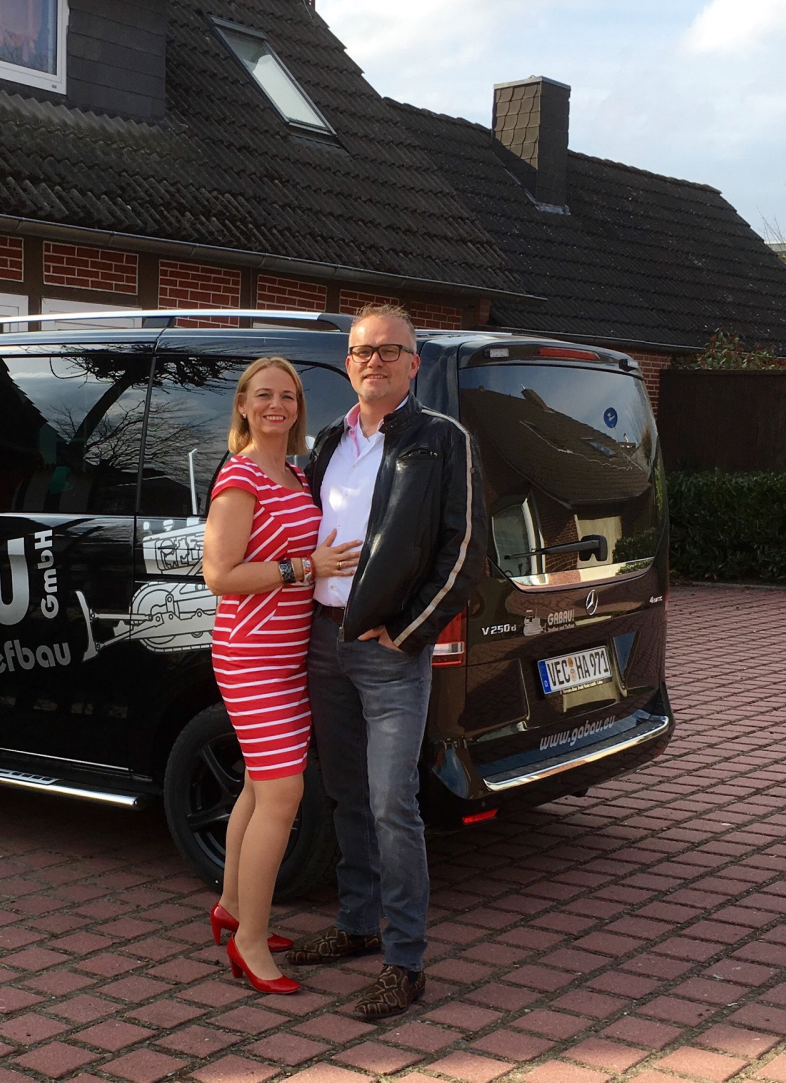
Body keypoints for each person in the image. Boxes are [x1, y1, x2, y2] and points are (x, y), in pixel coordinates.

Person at [286, 304, 487, 1018]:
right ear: (348, 363)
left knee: (391, 804)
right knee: (345, 793)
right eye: (363, 351)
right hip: (324, 639)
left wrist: (407, 630)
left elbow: (464, 553)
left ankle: (405, 962)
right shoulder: (328, 440)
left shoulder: (443, 440)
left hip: (388, 651)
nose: (374, 361)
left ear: (414, 363)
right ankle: (356, 923)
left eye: (389, 350)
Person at [202, 356, 359, 995]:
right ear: (243, 405)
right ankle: (249, 942)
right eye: (264, 395)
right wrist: (305, 567)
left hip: (289, 656)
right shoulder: (240, 477)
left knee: (255, 788)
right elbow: (219, 574)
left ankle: (233, 908)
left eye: (288, 396)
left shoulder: (293, 472)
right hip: (250, 655)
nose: (277, 406)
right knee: (282, 796)